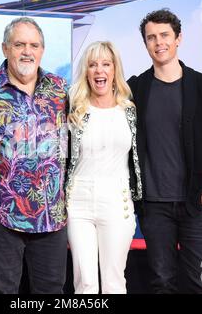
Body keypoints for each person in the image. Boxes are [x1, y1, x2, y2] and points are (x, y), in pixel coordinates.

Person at [127, 9, 202, 293]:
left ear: (179, 39)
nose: (158, 42)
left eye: (164, 35)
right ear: (145, 44)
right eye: (151, 37)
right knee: (162, 283)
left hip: (198, 207)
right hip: (154, 207)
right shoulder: (135, 88)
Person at [0, 17, 68, 294]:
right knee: (2, 290)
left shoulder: (61, 89)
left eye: (34, 45)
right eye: (19, 44)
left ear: (42, 50)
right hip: (1, 216)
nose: (27, 51)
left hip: (52, 216)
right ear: (5, 49)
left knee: (51, 291)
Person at [66, 41, 142, 294]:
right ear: (86, 72)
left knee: (113, 282)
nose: (99, 70)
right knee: (85, 283)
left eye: (106, 64)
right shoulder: (74, 109)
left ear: (114, 69)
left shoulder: (129, 110)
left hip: (117, 200)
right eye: (93, 65)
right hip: (78, 202)